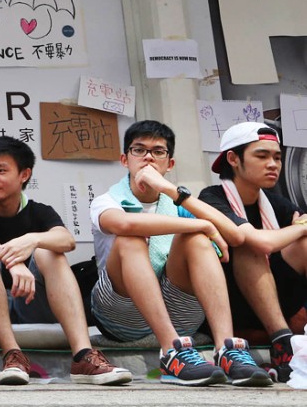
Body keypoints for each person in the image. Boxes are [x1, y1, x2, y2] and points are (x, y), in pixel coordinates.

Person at [89, 120, 269, 386]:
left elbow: (235, 235)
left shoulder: (176, 200)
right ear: (125, 160)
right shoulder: (108, 199)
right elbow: (122, 224)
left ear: (169, 164)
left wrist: (170, 190)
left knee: (196, 240)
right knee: (130, 238)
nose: (148, 157)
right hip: (121, 312)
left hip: (177, 310)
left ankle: (227, 349)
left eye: (158, 152)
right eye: (139, 150)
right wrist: (203, 224)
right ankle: (172, 352)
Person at [0, 136, 131, 386]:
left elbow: (66, 240)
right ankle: (12, 355)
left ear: (24, 174)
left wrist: (32, 240)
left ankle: (83, 356)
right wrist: (12, 261)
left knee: (49, 250)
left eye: (1, 171)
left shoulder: (39, 211)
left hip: (30, 303)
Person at [199, 122, 307, 383]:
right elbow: (259, 243)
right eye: (262, 156)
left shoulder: (277, 204)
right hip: (232, 310)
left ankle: (292, 338)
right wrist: (300, 228)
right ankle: (282, 346)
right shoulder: (211, 198)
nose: (273, 164)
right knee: (249, 245)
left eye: (277, 157)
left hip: (281, 306)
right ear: (233, 159)